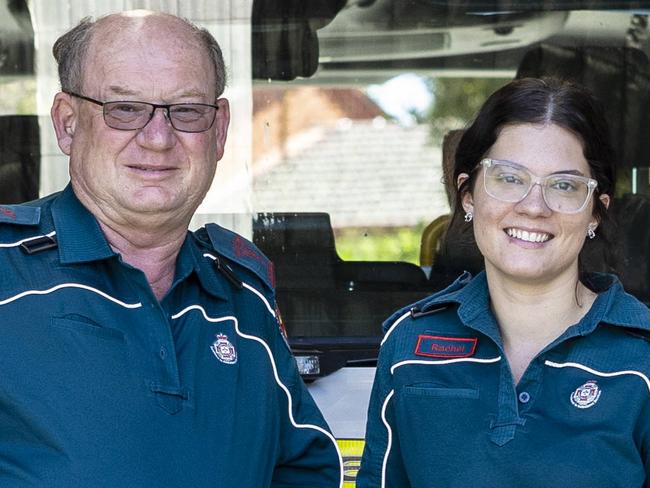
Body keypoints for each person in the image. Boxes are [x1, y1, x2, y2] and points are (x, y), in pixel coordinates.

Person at [0, 10, 342, 487]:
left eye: (186, 111)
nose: (158, 139)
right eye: (124, 108)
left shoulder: (243, 297)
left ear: (218, 129)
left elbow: (303, 471)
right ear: (68, 123)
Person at [356, 77, 650, 488]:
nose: (533, 207)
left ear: (595, 214)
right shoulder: (408, 346)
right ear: (468, 195)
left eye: (564, 185)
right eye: (509, 178)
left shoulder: (642, 358)